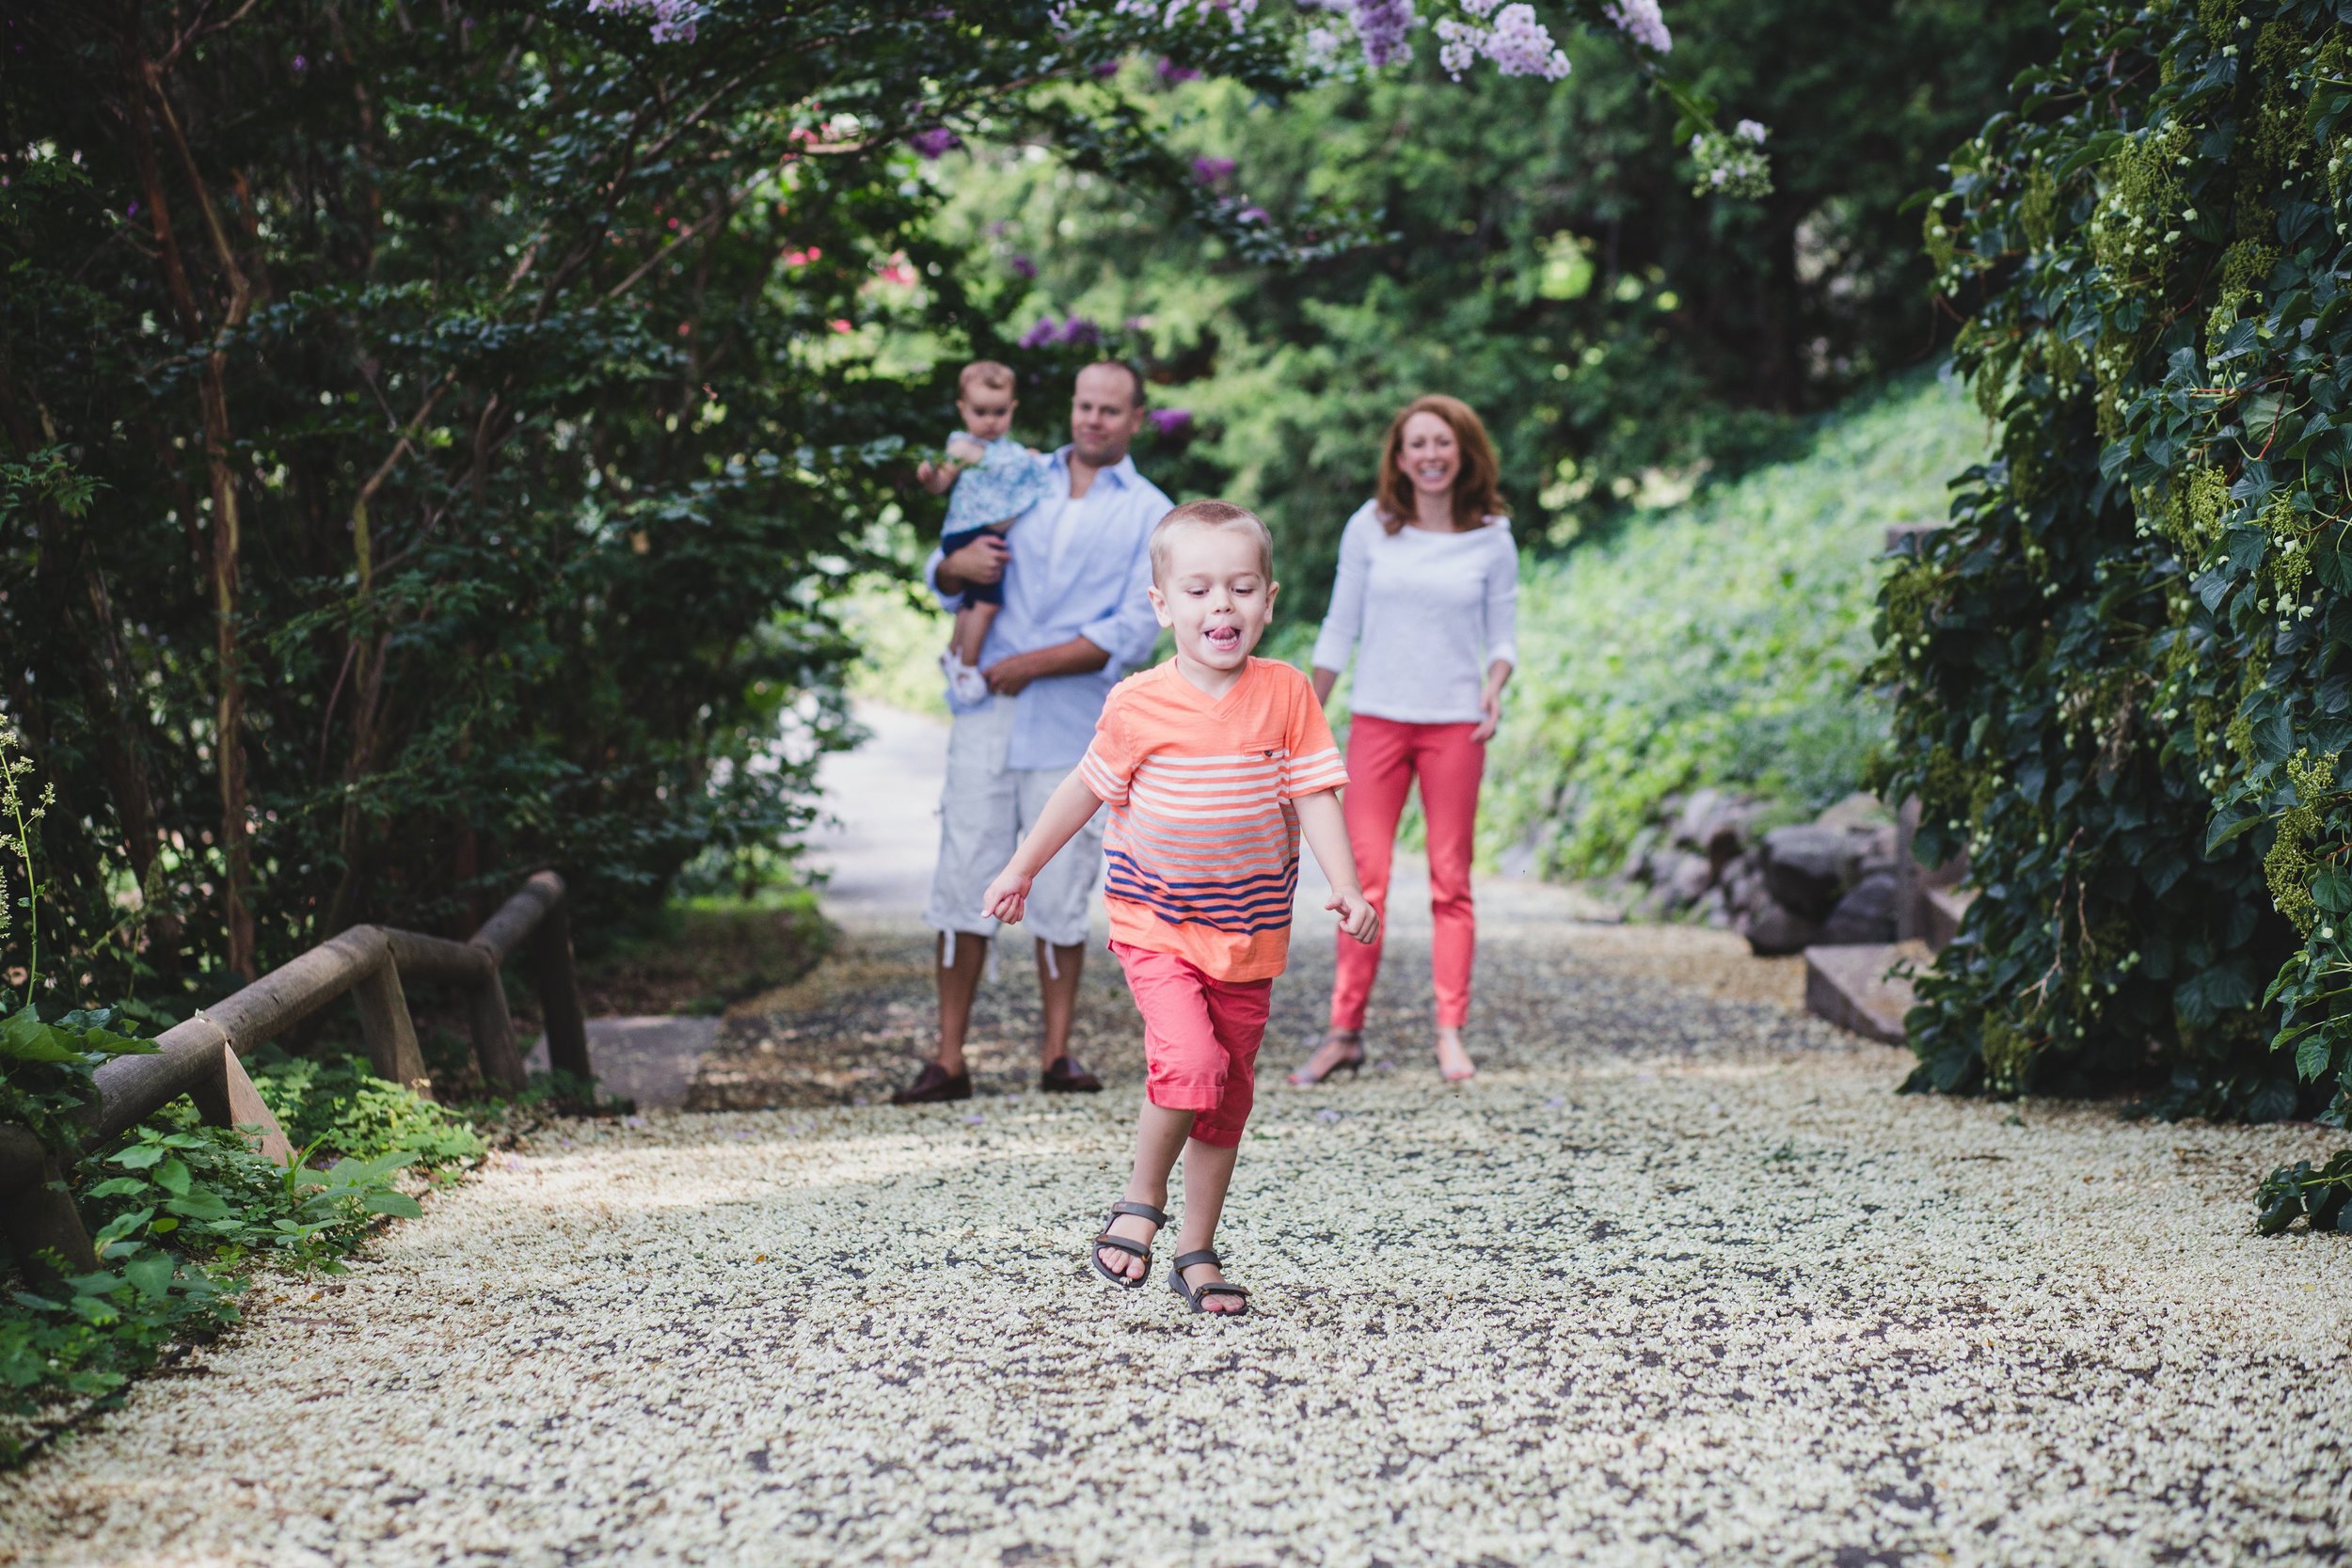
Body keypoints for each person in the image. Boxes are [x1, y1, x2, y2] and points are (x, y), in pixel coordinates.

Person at [980, 500, 1379, 1314]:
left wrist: (1347, 883)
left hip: (1253, 934)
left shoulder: (1289, 692)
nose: (1220, 606)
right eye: (1197, 590)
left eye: (1239, 588)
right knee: (1190, 1065)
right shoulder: (1137, 702)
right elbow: (1082, 791)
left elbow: (1316, 792)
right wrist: (1021, 867)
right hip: (1155, 923)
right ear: (1163, 606)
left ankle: (1196, 1248)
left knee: (1227, 1092)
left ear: (1269, 599)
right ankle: (1139, 1199)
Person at [893, 361, 1171, 1106]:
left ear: (1136, 418)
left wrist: (1033, 663)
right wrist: (953, 564)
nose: (1093, 420)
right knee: (963, 872)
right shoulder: (1020, 473)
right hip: (986, 712)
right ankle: (948, 1057)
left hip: (1074, 724)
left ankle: (1057, 1052)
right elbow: (947, 557)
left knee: (1062, 885)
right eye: (1084, 405)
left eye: (1111, 410)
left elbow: (1136, 628)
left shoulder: (1151, 510)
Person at [1291, 394, 1518, 1088]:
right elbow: (1339, 626)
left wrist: (1497, 682)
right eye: (1416, 444)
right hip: (1378, 720)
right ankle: (1344, 1032)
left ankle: (1450, 1033)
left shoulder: (1492, 536)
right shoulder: (1370, 526)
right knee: (1361, 880)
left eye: (1442, 444)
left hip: (1455, 722)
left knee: (1452, 879)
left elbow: (1503, 636)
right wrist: (1306, 715)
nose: (1429, 456)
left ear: (1464, 452)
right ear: (1398, 455)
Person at [921, 361, 1057, 707]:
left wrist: (1027, 460)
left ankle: (953, 653)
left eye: (999, 412)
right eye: (980, 411)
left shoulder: (1008, 450)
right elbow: (942, 481)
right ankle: (967, 667)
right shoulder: (964, 447)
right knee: (987, 604)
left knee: (970, 603)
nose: (990, 420)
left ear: (1012, 409)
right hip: (968, 536)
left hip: (979, 536)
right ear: (963, 410)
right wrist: (930, 477)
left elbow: (1017, 467)